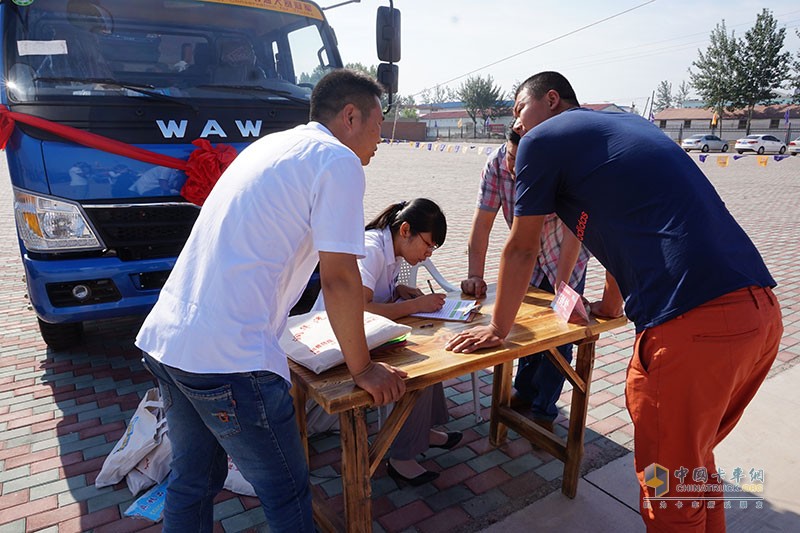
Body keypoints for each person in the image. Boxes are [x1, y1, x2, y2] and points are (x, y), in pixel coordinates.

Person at [446, 71, 782, 532]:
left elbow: (522, 247)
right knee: (691, 471)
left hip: (695, 328)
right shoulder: (627, 127)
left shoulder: (544, 139)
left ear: (550, 100)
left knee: (667, 494)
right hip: (758, 316)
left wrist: (498, 329)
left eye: (519, 112)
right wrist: (611, 304)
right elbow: (625, 230)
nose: (517, 126)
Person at [135, 69, 407, 533]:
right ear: (350, 116)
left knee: (194, 481)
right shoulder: (336, 160)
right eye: (380, 123)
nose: (382, 138)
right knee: (286, 493)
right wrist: (363, 368)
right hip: (231, 357)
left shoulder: (269, 147)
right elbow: (340, 279)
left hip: (169, 342)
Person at [314, 198, 463, 485]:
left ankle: (423, 430)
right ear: (405, 229)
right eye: (428, 244)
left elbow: (376, 295)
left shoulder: (391, 249)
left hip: (361, 334)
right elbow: (357, 308)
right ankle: (401, 458)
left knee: (431, 348)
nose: (428, 253)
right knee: (418, 362)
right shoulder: (371, 249)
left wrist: (401, 291)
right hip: (336, 340)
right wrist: (414, 305)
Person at [461, 129, 589, 431]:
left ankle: (545, 410)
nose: (517, 169)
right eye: (512, 158)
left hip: (566, 259)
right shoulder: (495, 166)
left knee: (559, 337)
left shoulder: (564, 166)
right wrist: (474, 276)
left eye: (526, 162)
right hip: (526, 260)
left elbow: (574, 233)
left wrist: (562, 286)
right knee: (523, 328)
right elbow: (482, 224)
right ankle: (525, 390)